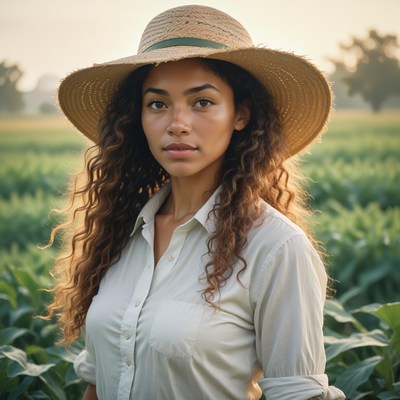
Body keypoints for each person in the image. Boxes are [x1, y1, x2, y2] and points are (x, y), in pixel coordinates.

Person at [48, 5, 346, 400]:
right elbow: (98, 382)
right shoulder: (121, 232)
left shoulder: (276, 248)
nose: (177, 123)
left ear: (240, 114)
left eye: (202, 102)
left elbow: (298, 393)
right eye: (157, 103)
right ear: (138, 116)